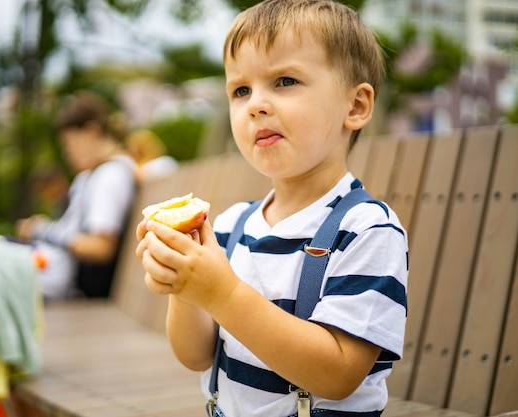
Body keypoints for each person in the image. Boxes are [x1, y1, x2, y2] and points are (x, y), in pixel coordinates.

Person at [135, 1, 408, 416]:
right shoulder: (229, 225)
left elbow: (337, 376)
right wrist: (185, 286)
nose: (255, 104)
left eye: (284, 80)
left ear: (355, 107)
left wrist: (221, 292)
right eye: (240, 90)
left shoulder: (367, 229)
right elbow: (195, 356)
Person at [17, 91, 137, 299]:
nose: (67, 153)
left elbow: (101, 247)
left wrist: (41, 230)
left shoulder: (110, 176)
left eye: (69, 143)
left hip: (76, 288)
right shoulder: (92, 175)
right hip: (63, 278)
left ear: (92, 132)